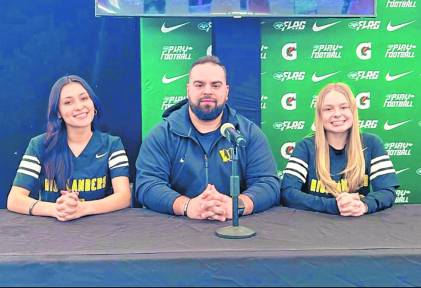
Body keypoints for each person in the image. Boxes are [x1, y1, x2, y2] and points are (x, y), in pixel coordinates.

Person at [135, 55, 280, 220]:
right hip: (176, 232)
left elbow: (268, 183)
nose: (207, 91)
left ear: (226, 91)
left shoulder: (248, 133)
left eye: (216, 85)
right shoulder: (162, 134)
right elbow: (147, 184)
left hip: (233, 230)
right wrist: (187, 205)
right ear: (188, 89)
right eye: (199, 85)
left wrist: (236, 205)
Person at [7, 75, 131, 221]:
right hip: (49, 232)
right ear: (58, 112)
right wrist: (56, 209)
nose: (79, 107)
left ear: (93, 103)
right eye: (68, 102)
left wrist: (83, 208)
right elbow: (14, 199)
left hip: (99, 230)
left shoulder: (112, 144)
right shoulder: (39, 145)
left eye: (84, 98)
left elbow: (124, 197)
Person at [281, 82, 399, 216]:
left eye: (344, 107)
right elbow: (287, 193)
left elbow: (388, 191)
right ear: (319, 115)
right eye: (328, 109)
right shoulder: (305, 147)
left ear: (353, 111)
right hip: (314, 226)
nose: (337, 114)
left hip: (359, 227)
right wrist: (334, 205)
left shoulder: (371, 143)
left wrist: (364, 205)